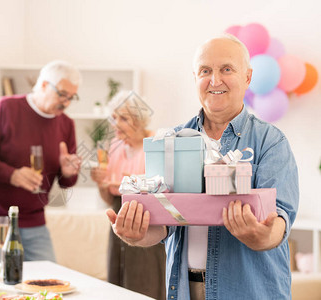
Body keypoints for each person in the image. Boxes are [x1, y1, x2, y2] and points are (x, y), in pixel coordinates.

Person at [106, 34, 299, 300]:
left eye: (226, 69)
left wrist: (262, 235)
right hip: (185, 289)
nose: (215, 80)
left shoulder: (271, 142)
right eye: (205, 71)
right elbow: (163, 223)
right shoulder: (171, 140)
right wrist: (137, 234)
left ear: (247, 77)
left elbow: (280, 220)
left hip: (249, 292)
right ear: (195, 78)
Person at [0, 60, 82, 262]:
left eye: (71, 97)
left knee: (46, 283)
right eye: (62, 94)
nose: (66, 102)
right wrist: (11, 175)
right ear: (43, 85)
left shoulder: (66, 124)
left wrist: (68, 173)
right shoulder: (5, 108)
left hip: (34, 218)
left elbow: (66, 182)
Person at [90, 90, 166, 299]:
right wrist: (101, 184)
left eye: (123, 118)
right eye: (114, 118)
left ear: (139, 120)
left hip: (147, 220)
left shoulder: (156, 143)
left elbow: (163, 189)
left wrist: (130, 183)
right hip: (118, 214)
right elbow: (109, 198)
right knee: (117, 277)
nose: (115, 124)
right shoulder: (113, 147)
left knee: (146, 279)